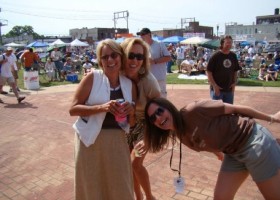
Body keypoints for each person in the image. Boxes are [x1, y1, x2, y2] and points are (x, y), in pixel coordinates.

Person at [144, 97, 280, 200]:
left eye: (159, 111)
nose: (158, 117)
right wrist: (218, 154)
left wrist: (271, 118)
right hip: (233, 153)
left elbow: (236, 109)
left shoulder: (194, 110)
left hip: (252, 141)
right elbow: (204, 140)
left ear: (168, 107)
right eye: (152, 118)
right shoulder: (181, 135)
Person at [69, 39, 136, 200]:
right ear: (100, 61)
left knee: (120, 186)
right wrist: (102, 107)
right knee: (91, 187)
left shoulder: (128, 84)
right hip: (89, 141)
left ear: (120, 57)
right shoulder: (92, 78)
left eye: (114, 55)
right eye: (105, 57)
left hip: (117, 142)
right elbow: (73, 109)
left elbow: (131, 123)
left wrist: (131, 112)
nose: (110, 60)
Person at [121, 38, 161, 200]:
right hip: (125, 125)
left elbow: (161, 108)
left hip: (145, 126)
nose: (135, 61)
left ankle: (150, 197)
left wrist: (150, 135)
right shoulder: (119, 75)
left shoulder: (148, 81)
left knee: (135, 164)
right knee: (128, 167)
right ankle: (138, 198)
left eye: (140, 57)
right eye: (131, 55)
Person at [137, 28, 171, 98]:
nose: (141, 36)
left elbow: (168, 57)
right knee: (149, 98)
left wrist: (154, 61)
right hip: (147, 77)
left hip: (159, 77)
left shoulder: (159, 44)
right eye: (140, 35)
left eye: (143, 34)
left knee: (161, 98)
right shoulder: (142, 47)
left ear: (149, 34)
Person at [207, 35, 240, 104]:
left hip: (229, 89)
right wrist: (214, 86)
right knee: (217, 110)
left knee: (229, 111)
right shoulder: (215, 56)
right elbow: (208, 71)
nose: (229, 44)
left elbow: (235, 70)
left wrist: (234, 83)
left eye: (230, 42)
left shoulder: (233, 56)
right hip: (217, 89)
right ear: (222, 44)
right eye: (227, 42)